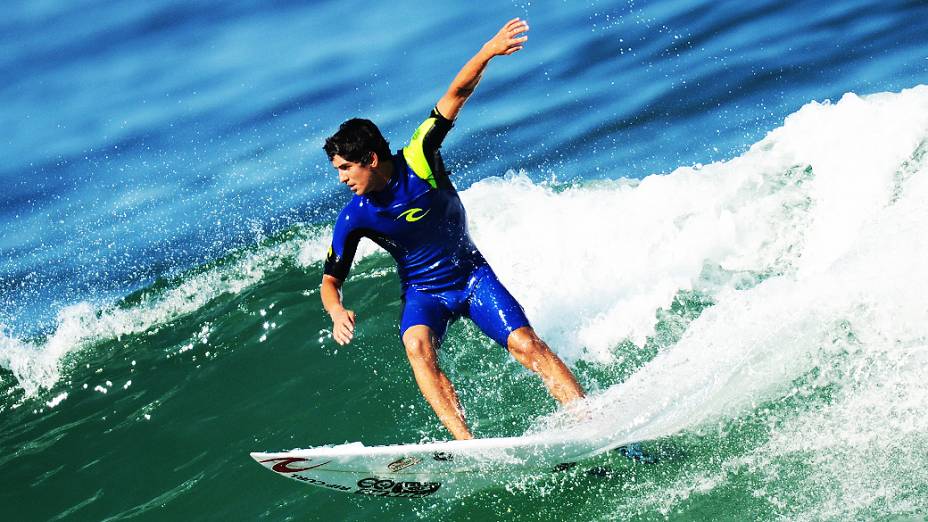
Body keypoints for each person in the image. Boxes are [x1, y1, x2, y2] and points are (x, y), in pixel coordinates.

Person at [320, 18, 584, 440]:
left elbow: (455, 94)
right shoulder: (355, 216)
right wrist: (336, 310)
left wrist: (489, 49)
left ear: (370, 159)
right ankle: (467, 444)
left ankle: (586, 421)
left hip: (471, 276)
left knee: (526, 345)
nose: (342, 179)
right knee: (416, 347)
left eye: (346, 168)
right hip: (425, 294)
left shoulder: (420, 157)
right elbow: (331, 280)